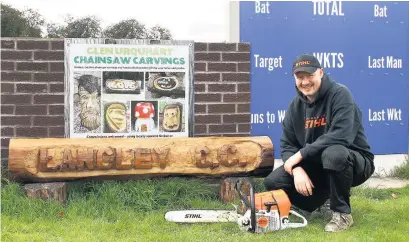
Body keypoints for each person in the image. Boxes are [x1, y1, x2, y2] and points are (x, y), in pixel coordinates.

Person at [263, 54, 375, 233]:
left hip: (354, 161)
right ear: (294, 78)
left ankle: (342, 214)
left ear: (321, 73)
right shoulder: (294, 107)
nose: (305, 82)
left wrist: (300, 156)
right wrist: (297, 169)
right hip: (319, 164)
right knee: (273, 182)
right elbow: (287, 145)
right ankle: (320, 204)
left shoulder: (340, 94)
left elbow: (340, 136)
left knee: (333, 153)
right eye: (300, 77)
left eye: (310, 75)